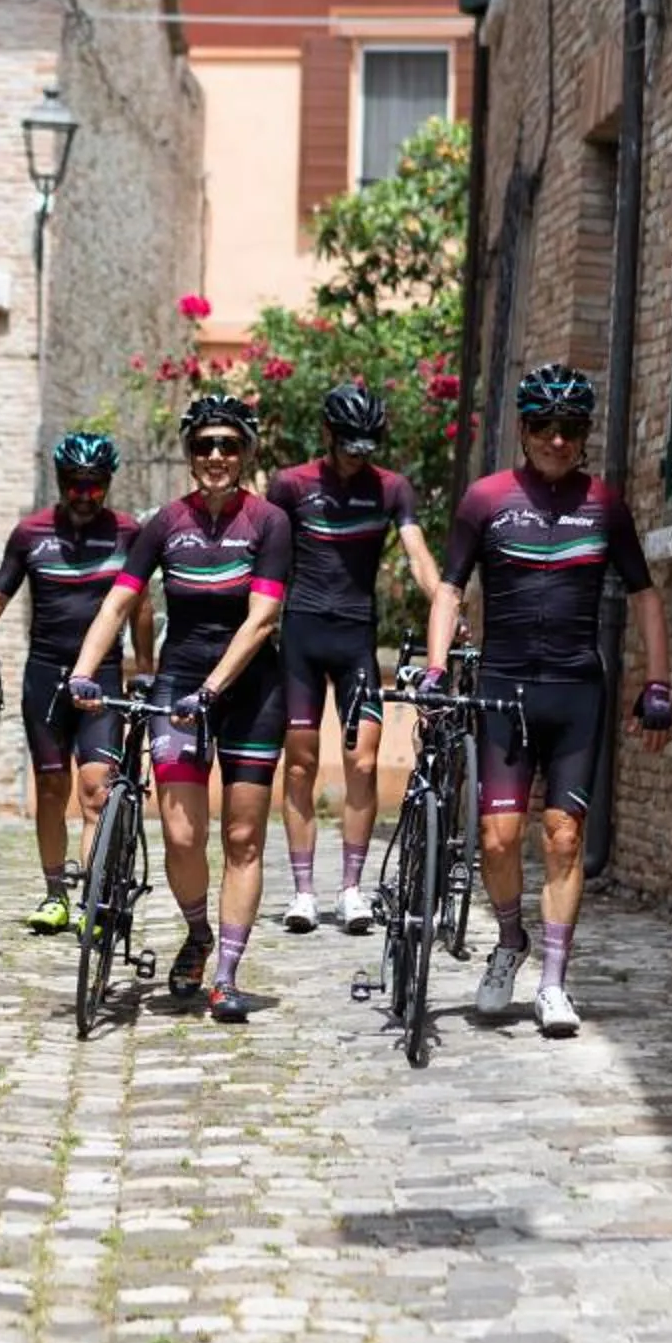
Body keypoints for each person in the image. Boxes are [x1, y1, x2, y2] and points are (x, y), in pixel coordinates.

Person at [419, 363, 672, 1039]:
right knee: (498, 840)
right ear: (524, 430)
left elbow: (645, 594)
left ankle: (555, 984)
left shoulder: (604, 505)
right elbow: (448, 588)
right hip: (503, 692)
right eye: (546, 428)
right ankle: (509, 941)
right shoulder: (486, 500)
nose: (559, 441)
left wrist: (658, 682)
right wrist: (437, 668)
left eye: (572, 429)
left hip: (576, 695)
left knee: (563, 837)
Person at [63, 394, 292, 1021]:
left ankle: (226, 976)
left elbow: (263, 618)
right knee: (184, 835)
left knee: (243, 835)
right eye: (203, 445)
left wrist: (214, 689)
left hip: (250, 691)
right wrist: (83, 671)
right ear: (191, 455)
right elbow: (117, 604)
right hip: (178, 684)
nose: (215, 455)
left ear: (246, 452)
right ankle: (197, 932)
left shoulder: (268, 522)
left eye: (228, 445)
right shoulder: (165, 523)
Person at [266, 383, 440, 934]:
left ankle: (350, 890)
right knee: (300, 761)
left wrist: (443, 602)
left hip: (356, 639)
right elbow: (265, 557)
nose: (359, 455)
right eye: (349, 445)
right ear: (328, 436)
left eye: (368, 445)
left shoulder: (392, 489)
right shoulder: (290, 486)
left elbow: (416, 554)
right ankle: (301, 892)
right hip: (300, 633)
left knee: (363, 762)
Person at [0, 432, 155, 932]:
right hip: (45, 675)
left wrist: (147, 668)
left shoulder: (128, 534)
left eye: (95, 486)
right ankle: (55, 894)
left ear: (108, 484)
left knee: (96, 789)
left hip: (105, 677)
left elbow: (140, 607)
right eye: (75, 484)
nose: (85, 495)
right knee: (52, 786)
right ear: (61, 481)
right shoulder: (30, 534)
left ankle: (92, 896)